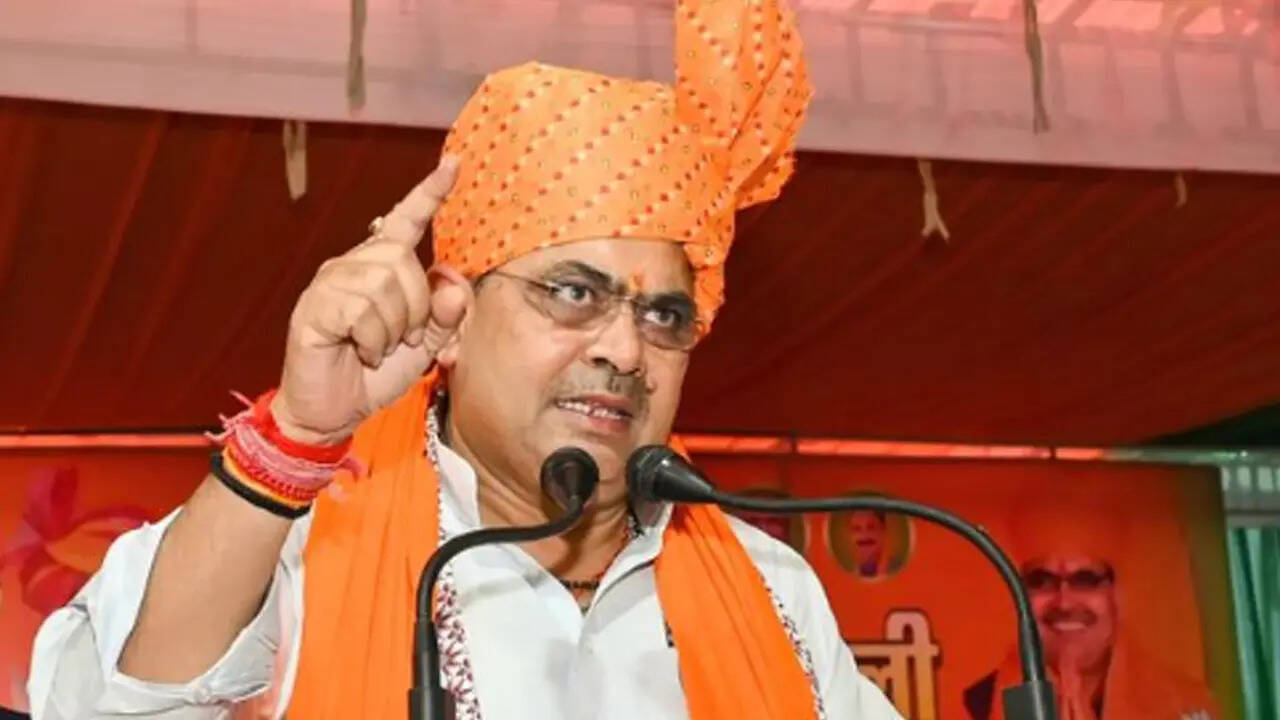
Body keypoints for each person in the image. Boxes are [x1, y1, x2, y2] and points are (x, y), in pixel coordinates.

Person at [26, 1, 902, 718]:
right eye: (573, 292)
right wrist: (294, 440)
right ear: (450, 315)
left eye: (664, 314)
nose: (624, 349)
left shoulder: (772, 586)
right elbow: (101, 707)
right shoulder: (298, 547)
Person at [962, 511, 1219, 720]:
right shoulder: (981, 702)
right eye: (1042, 580)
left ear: (1117, 593)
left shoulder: (1184, 702)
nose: (1064, 602)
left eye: (1085, 579)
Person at [846, 510, 890, 579]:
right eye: (857, 529)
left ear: (883, 531)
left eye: (871, 527)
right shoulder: (845, 577)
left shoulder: (901, 570)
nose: (864, 535)